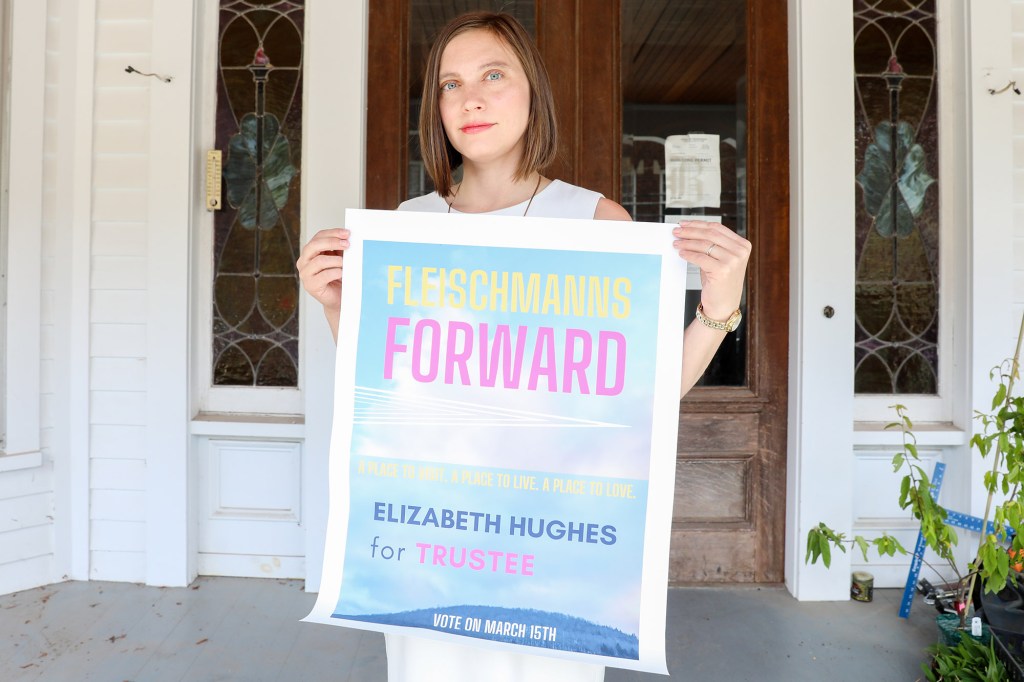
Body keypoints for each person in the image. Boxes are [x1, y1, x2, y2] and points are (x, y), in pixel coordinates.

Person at [296, 11, 750, 682]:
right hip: (435, 539)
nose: (469, 98)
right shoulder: (408, 227)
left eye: (492, 75)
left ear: (532, 91)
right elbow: (393, 388)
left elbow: (640, 395)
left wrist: (719, 306)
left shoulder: (594, 221)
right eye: (450, 84)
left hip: (548, 540)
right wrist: (338, 306)